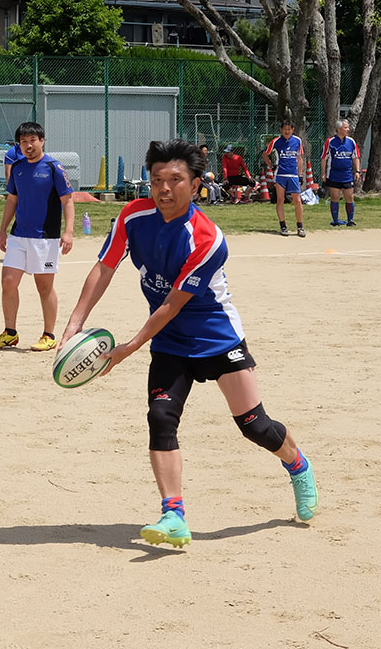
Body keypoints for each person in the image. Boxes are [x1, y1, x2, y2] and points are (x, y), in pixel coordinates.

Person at [60, 139, 318, 548]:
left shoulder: (207, 238)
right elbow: (105, 267)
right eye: (156, 179)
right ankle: (173, 514)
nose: (164, 188)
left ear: (196, 185)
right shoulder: (132, 215)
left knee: (256, 427)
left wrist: (128, 347)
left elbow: (172, 304)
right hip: (169, 342)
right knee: (161, 418)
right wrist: (74, 325)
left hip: (217, 337)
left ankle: (298, 465)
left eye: (175, 180)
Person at [0, 121, 75, 352]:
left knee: (43, 287)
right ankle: (10, 333)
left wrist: (68, 232)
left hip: (45, 238)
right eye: (23, 142)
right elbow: (12, 201)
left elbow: (67, 200)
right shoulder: (17, 168)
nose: (28, 146)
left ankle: (49, 335)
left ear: (42, 140)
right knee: (8, 282)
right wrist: (3, 229)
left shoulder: (54, 167)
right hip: (19, 235)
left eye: (32, 141)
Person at [265, 120, 306, 237]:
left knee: (297, 200)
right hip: (281, 174)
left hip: (293, 174)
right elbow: (265, 153)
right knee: (280, 199)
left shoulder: (297, 141)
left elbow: (299, 158)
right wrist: (270, 164)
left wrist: (300, 174)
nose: (287, 131)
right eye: (284, 129)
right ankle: (283, 225)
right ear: (281, 130)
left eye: (289, 129)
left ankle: (300, 226)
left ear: (293, 130)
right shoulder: (276, 141)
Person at [320, 120, 361, 227]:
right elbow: (324, 158)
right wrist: (323, 173)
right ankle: (335, 220)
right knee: (335, 197)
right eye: (346, 128)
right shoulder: (330, 141)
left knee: (349, 197)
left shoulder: (351, 141)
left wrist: (357, 171)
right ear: (339, 129)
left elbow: (356, 157)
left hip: (347, 174)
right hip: (334, 174)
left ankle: (350, 220)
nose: (348, 130)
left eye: (348, 127)